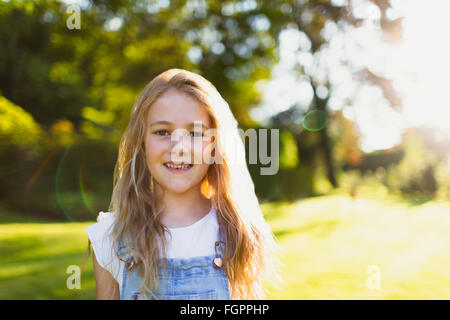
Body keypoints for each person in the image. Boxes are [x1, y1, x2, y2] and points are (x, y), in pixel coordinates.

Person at [82, 68, 283, 300]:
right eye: (162, 131)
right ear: (141, 142)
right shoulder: (110, 239)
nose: (178, 147)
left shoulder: (239, 234)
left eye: (195, 133)